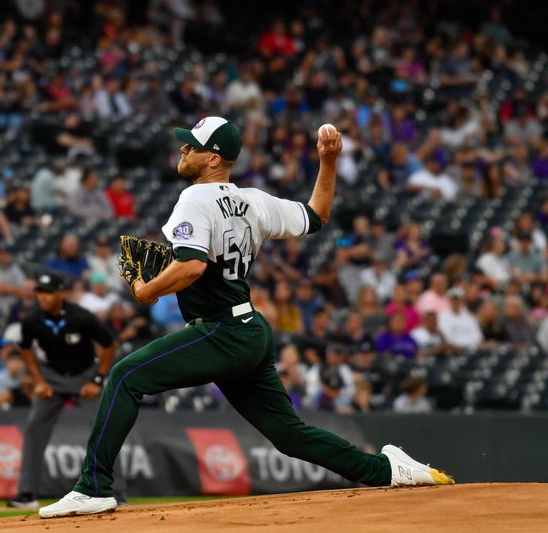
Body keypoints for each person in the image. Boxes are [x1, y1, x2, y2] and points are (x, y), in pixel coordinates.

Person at [40, 118, 452, 519]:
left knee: (126, 376)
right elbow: (317, 215)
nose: (184, 149)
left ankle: (93, 487)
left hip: (221, 329)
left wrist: (146, 290)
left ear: (215, 159)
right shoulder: (254, 200)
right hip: (248, 329)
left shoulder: (194, 199)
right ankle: (389, 469)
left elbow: (193, 267)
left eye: (193, 145)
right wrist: (328, 163)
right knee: (289, 435)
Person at [7, 272, 117, 509]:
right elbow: (25, 349)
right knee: (34, 426)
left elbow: (109, 344)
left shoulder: (81, 316)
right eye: (39, 292)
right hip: (53, 377)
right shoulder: (32, 319)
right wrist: (38, 380)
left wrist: (98, 380)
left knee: (104, 427)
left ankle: (115, 490)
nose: (43, 297)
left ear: (61, 293)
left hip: (85, 373)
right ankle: (27, 493)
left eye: (48, 292)